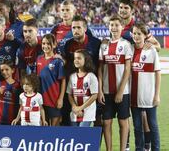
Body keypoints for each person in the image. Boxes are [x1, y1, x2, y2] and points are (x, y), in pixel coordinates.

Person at [98, 16, 133, 151]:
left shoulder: (125, 45)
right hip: (106, 91)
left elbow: (127, 69)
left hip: (122, 92)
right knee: (106, 122)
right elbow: (100, 69)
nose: (114, 28)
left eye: (116, 25)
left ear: (122, 27)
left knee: (123, 122)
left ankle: (123, 149)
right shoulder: (104, 45)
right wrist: (100, 90)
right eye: (111, 25)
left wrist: (120, 91)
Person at [60, 15, 101, 127]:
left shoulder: (96, 43)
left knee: (97, 120)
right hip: (74, 88)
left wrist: (99, 88)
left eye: (78, 27)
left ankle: (95, 144)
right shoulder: (68, 44)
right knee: (72, 121)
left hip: (91, 88)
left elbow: (101, 66)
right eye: (73, 28)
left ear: (85, 29)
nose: (76, 30)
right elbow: (67, 63)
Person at [131, 23, 161, 151]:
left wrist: (157, 95)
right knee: (137, 127)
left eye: (139, 34)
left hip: (149, 95)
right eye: (135, 33)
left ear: (145, 36)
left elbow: (158, 73)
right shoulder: (129, 49)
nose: (136, 36)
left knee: (153, 125)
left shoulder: (151, 50)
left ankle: (156, 148)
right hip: (133, 96)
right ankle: (139, 148)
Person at [37, 34, 66, 126]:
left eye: (48, 43)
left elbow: (63, 80)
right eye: (43, 43)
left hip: (54, 99)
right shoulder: (38, 59)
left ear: (54, 45)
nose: (45, 46)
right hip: (41, 99)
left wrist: (61, 99)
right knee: (42, 128)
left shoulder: (57, 61)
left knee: (54, 129)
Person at [67, 49, 98, 127]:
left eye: (79, 58)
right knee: (75, 137)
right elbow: (69, 94)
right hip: (75, 113)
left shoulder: (91, 76)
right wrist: (74, 107)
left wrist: (81, 108)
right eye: (75, 58)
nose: (76, 60)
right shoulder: (72, 77)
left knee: (82, 135)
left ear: (86, 60)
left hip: (87, 113)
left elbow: (94, 95)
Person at [0, 14, 21, 81]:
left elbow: (25, 47)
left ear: (3, 27)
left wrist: (14, 40)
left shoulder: (12, 41)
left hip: (12, 82)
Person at [0, 60, 21, 125]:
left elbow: (21, 104)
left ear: (13, 70)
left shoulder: (18, 85)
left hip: (13, 121)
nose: (4, 72)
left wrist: (18, 118)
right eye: (2, 70)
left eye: (6, 69)